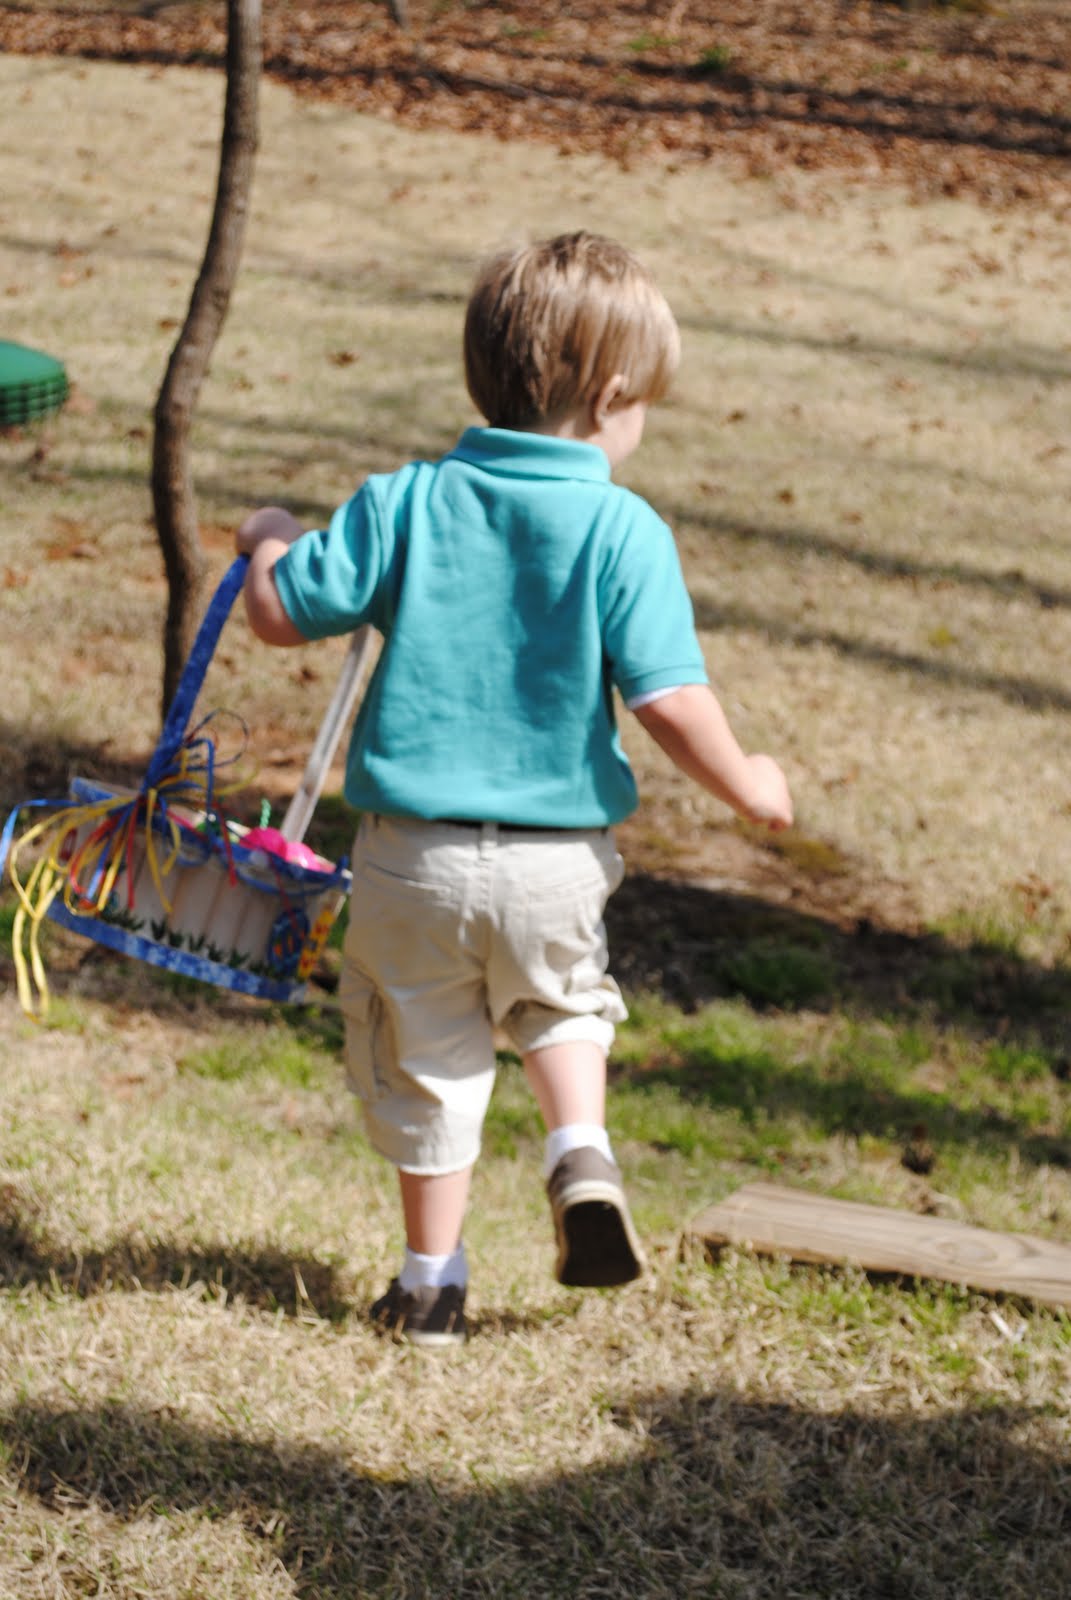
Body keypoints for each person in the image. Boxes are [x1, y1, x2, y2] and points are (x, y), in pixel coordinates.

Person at [237, 231, 792, 1348]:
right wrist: (750, 785)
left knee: (427, 1058)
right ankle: (578, 1147)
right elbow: (669, 700)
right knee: (563, 1005)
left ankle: (429, 1287)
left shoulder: (406, 501)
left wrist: (268, 539)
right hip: (555, 860)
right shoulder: (624, 528)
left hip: (413, 858)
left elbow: (281, 613)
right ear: (612, 396)